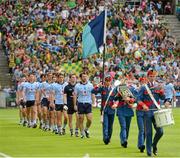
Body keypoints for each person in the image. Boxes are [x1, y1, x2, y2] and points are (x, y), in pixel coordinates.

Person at [137, 70, 166, 156]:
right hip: (147, 112)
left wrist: (162, 92)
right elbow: (138, 99)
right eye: (150, 76)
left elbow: (163, 97)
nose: (152, 77)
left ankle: (154, 144)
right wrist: (143, 105)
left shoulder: (158, 86)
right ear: (148, 77)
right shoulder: (143, 87)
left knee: (160, 131)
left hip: (156, 112)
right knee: (149, 132)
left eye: (153, 76)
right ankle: (149, 152)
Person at [92, 74, 116, 145]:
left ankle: (109, 137)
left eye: (109, 81)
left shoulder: (113, 90)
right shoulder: (102, 88)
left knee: (110, 125)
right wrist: (98, 85)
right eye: (106, 81)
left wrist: (115, 104)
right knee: (105, 124)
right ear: (104, 81)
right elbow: (93, 91)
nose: (108, 82)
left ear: (111, 81)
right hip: (104, 110)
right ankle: (105, 138)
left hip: (111, 109)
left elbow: (117, 98)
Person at [113, 76, 135, 148]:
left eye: (125, 81)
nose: (124, 82)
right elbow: (114, 98)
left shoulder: (131, 88)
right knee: (123, 126)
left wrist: (130, 100)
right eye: (123, 80)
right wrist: (119, 95)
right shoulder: (118, 88)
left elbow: (134, 98)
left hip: (128, 109)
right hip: (121, 109)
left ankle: (125, 140)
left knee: (127, 127)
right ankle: (124, 140)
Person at [73, 72, 95, 138]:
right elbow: (75, 95)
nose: (84, 77)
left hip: (88, 103)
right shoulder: (77, 86)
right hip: (80, 103)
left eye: (85, 76)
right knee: (81, 119)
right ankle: (82, 133)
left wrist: (94, 102)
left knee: (89, 119)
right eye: (83, 76)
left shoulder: (90, 85)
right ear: (80, 78)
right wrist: (75, 105)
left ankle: (86, 129)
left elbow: (92, 94)